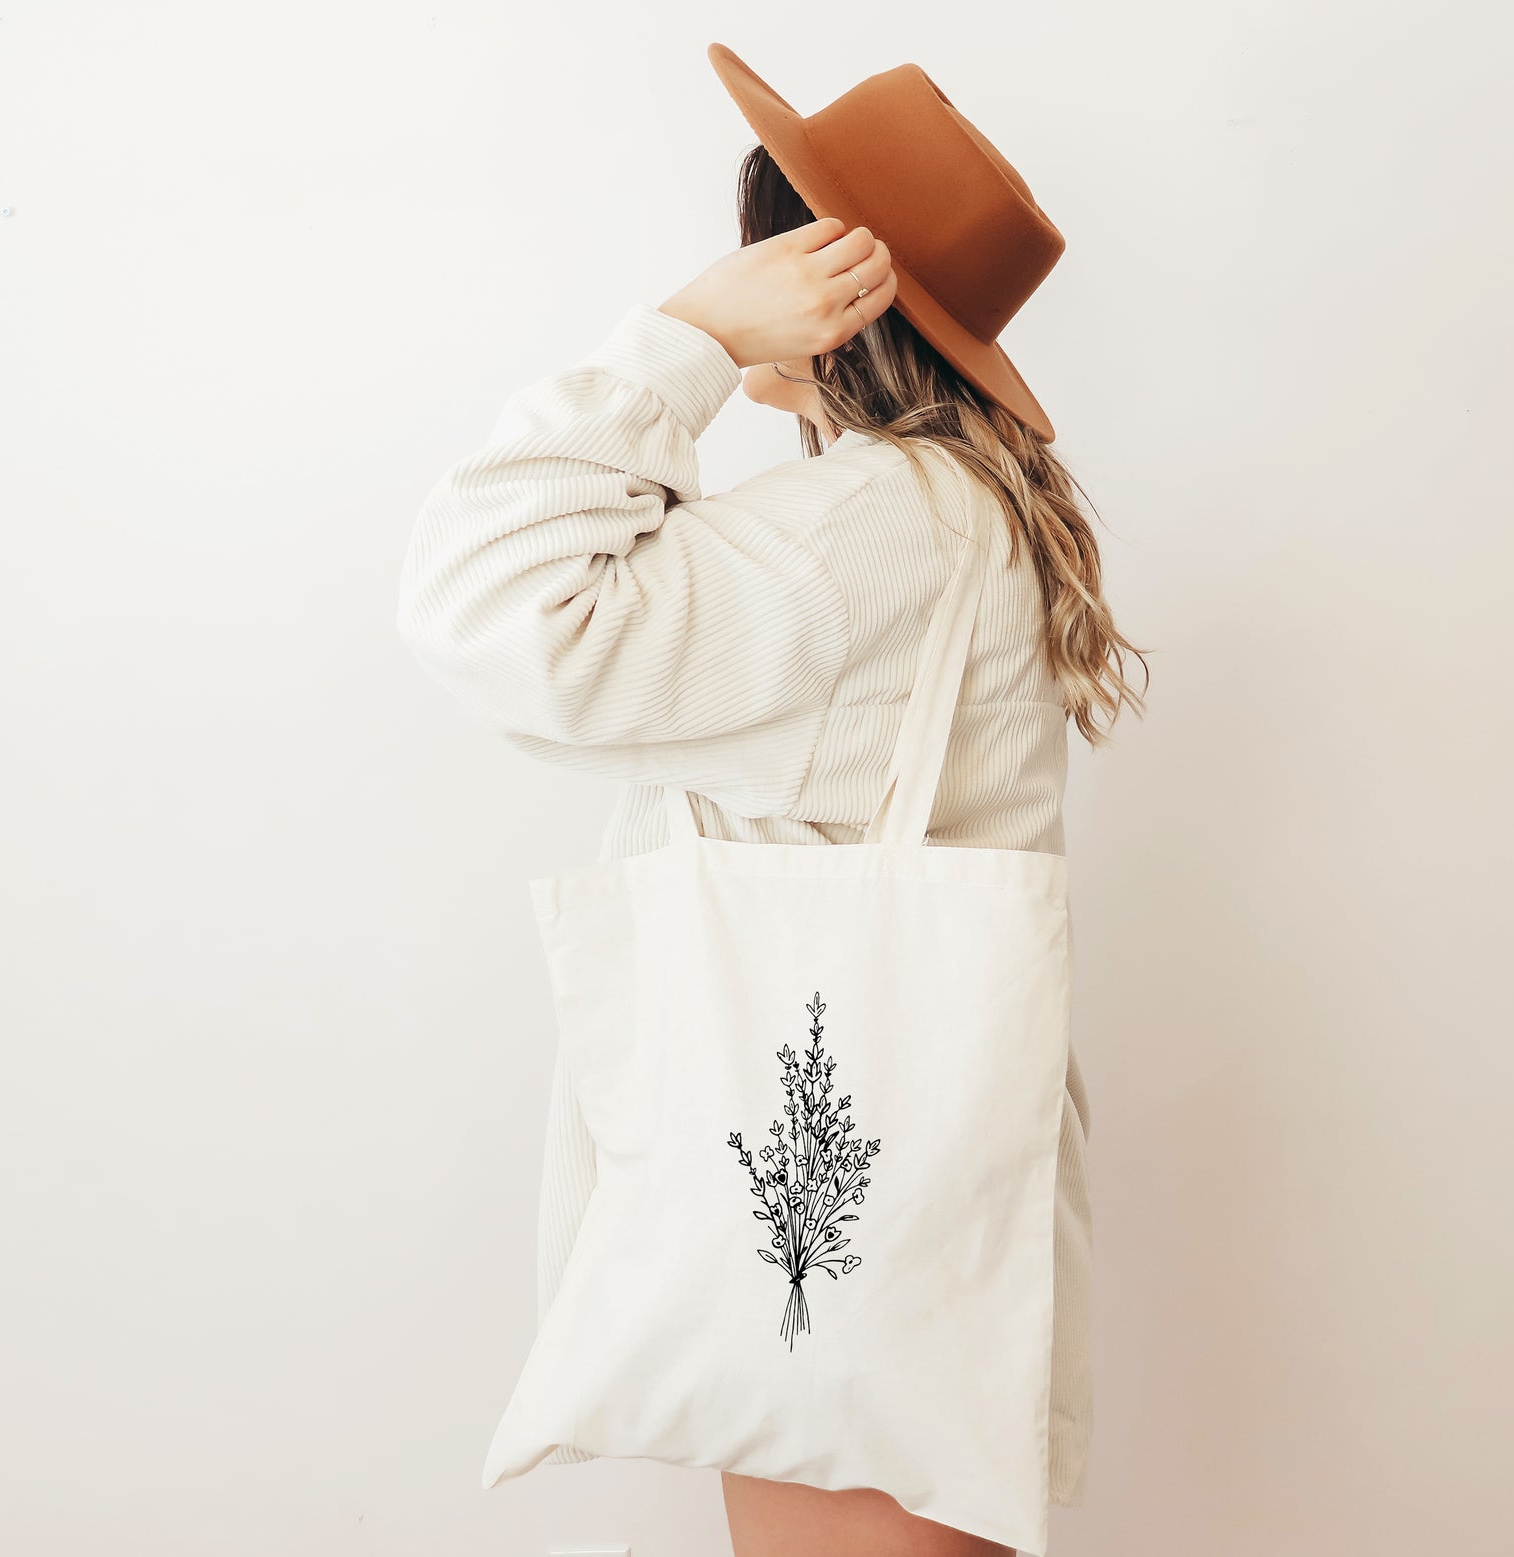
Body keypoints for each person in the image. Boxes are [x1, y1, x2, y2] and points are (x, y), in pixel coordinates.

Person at [397, 46, 1147, 1557]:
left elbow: (494, 606)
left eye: (772, 243)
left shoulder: (884, 517)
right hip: (880, 1206)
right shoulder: (946, 507)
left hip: (835, 1222)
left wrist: (681, 340)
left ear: (834, 284)